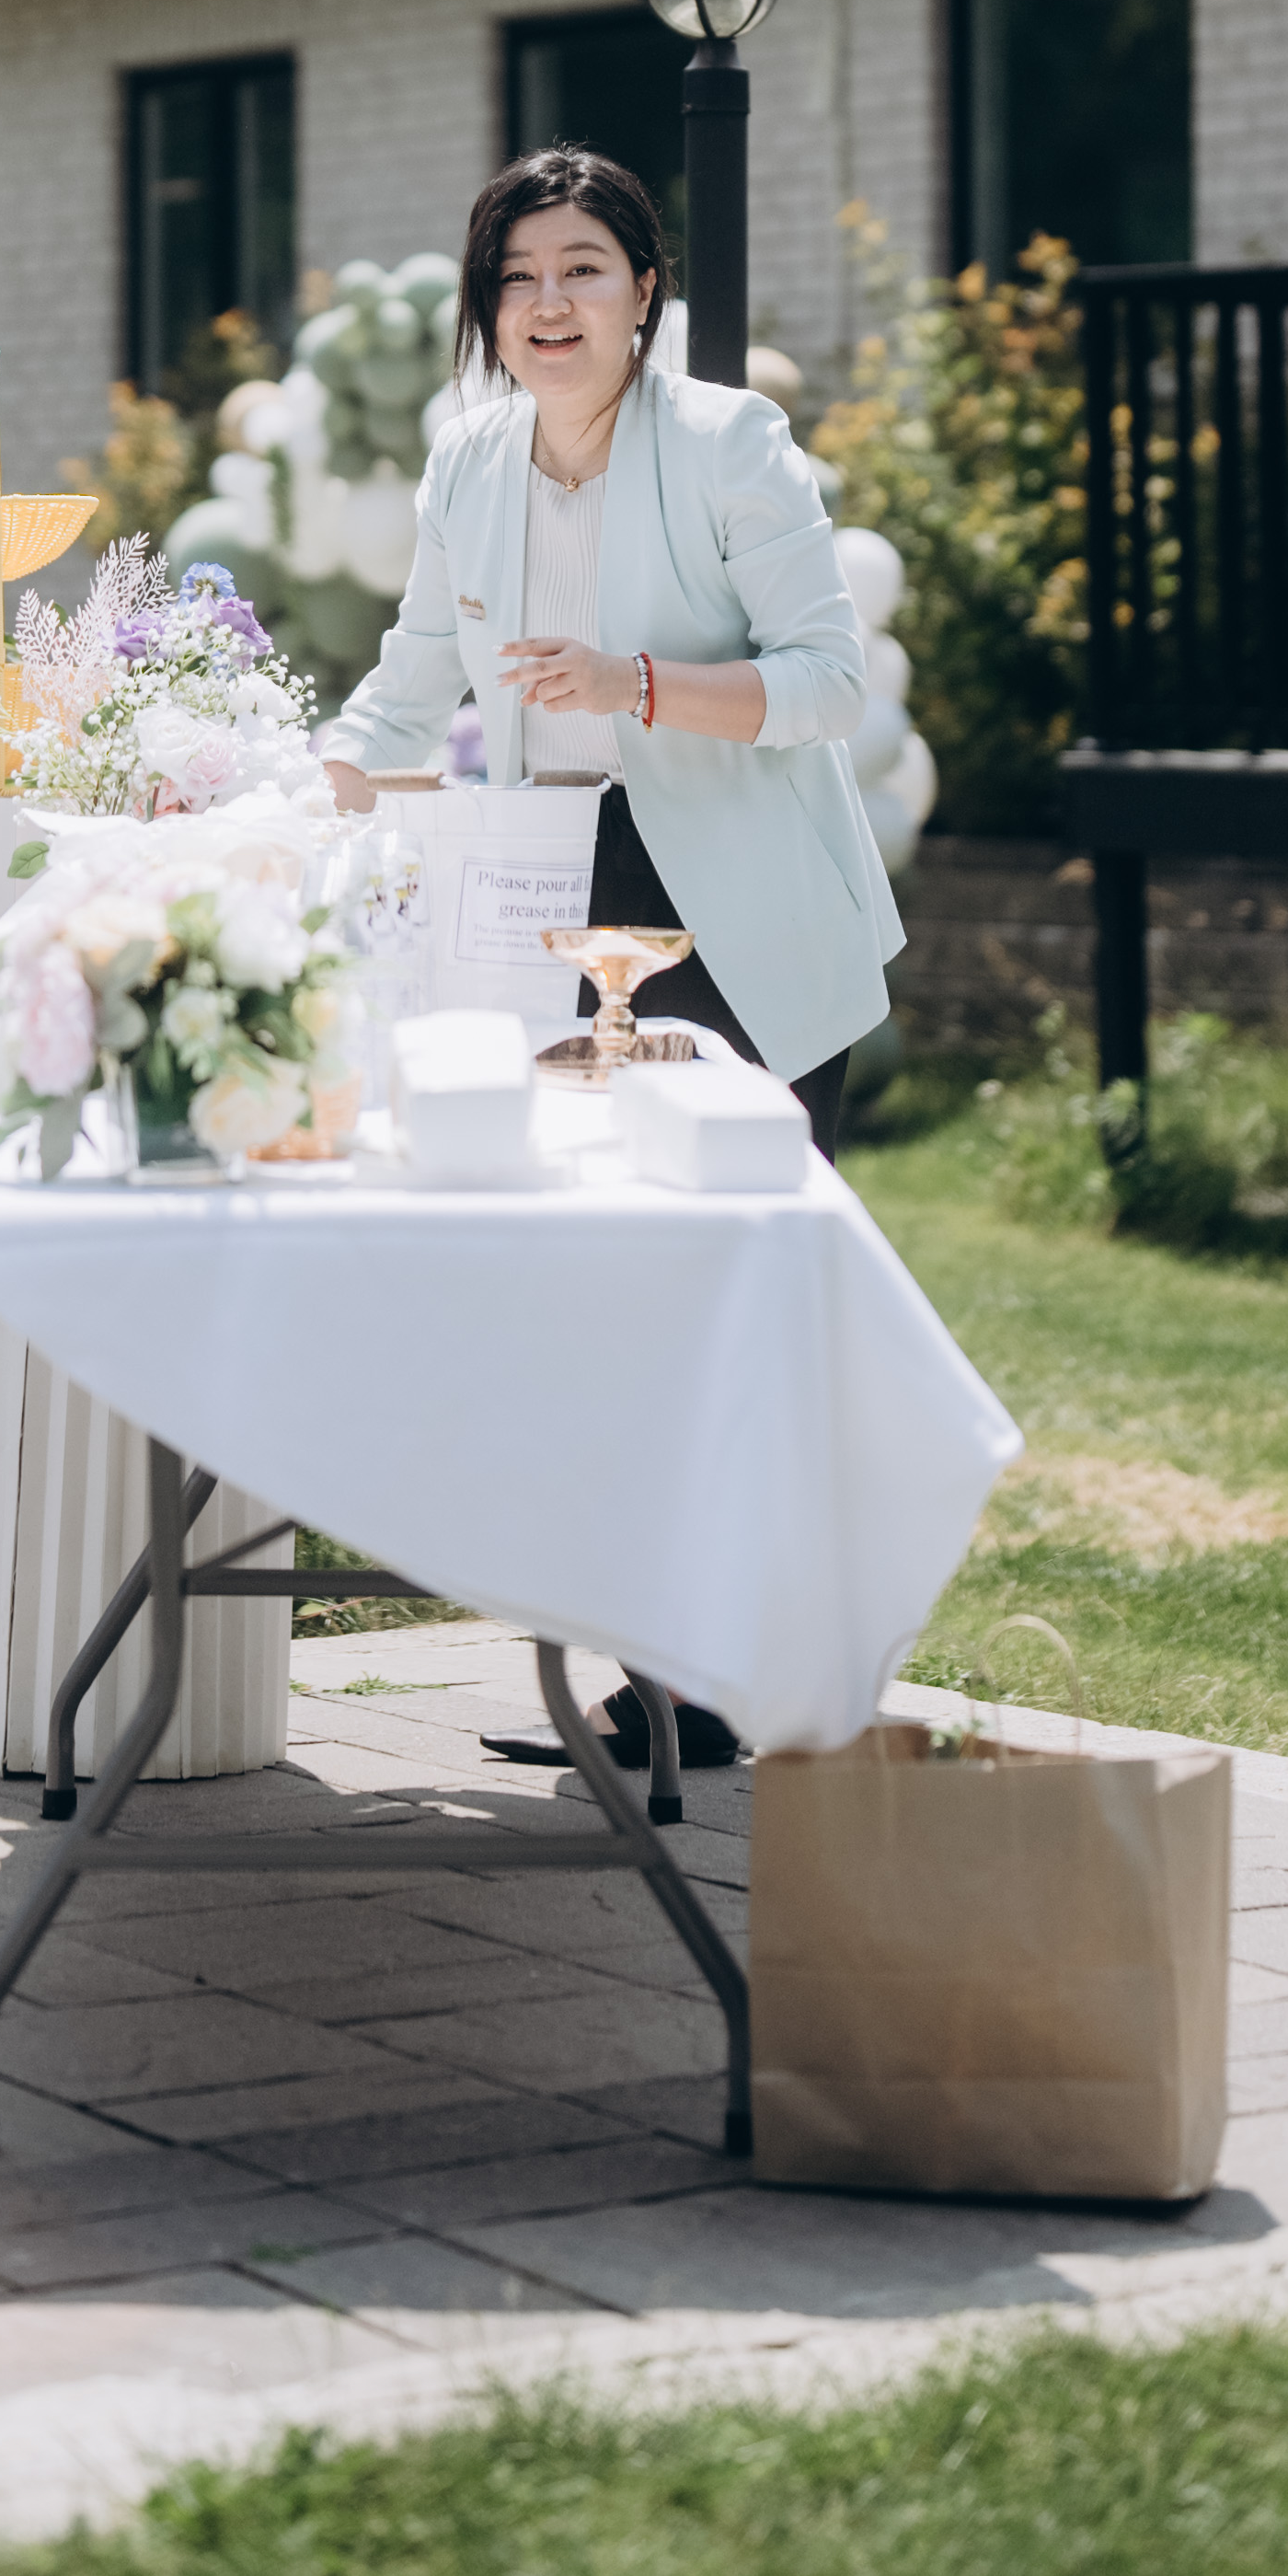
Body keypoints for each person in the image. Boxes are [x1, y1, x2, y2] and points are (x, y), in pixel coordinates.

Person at [322, 148, 903, 1772]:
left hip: (744, 918)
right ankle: (660, 1677)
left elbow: (826, 684)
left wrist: (628, 681)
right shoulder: (467, 460)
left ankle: (726, 1683)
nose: (548, 303)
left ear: (645, 290)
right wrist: (301, 779)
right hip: (554, 905)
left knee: (730, 1299)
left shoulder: (727, 440)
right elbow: (409, 676)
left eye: (582, 267)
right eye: (516, 277)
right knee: (602, 1293)